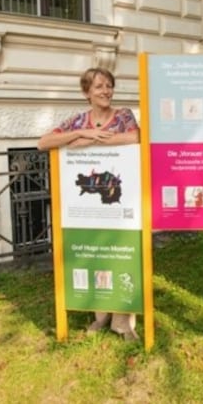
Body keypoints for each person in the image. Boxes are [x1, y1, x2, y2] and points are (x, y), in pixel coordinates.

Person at [38, 67, 141, 341]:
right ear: (87, 93)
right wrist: (80, 135)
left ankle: (123, 321)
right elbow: (44, 142)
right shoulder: (78, 121)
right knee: (96, 252)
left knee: (122, 251)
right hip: (89, 202)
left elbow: (136, 137)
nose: (106, 91)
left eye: (109, 85)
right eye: (99, 87)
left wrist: (94, 141)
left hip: (119, 199)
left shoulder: (123, 116)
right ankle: (101, 315)